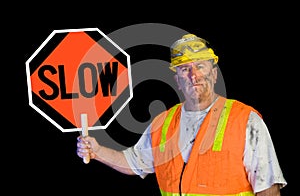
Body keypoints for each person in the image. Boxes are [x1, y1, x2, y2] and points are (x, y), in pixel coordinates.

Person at [77, 34, 287, 195]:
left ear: (214, 73)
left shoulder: (245, 120)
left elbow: (268, 187)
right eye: (185, 69)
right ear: (177, 79)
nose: (193, 75)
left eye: (200, 66)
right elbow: (134, 162)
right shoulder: (163, 123)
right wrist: (97, 151)